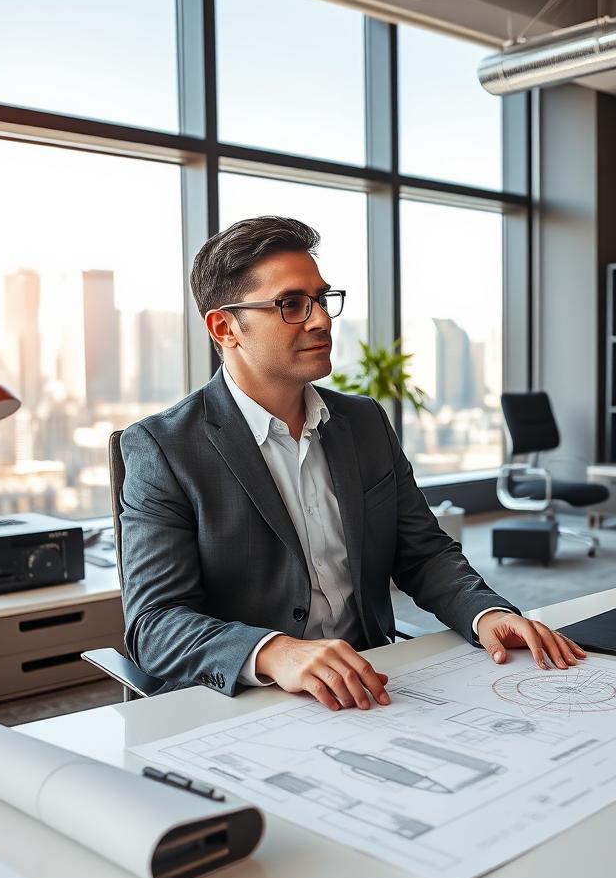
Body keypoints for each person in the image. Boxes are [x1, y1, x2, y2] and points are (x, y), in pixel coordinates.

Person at [119, 216, 584, 711]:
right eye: (292, 304)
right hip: (247, 700)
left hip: (372, 683)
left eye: (321, 299)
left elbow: (423, 553)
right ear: (225, 327)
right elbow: (155, 623)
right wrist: (273, 652)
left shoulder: (363, 421)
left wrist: (485, 612)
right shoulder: (163, 447)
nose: (320, 319)